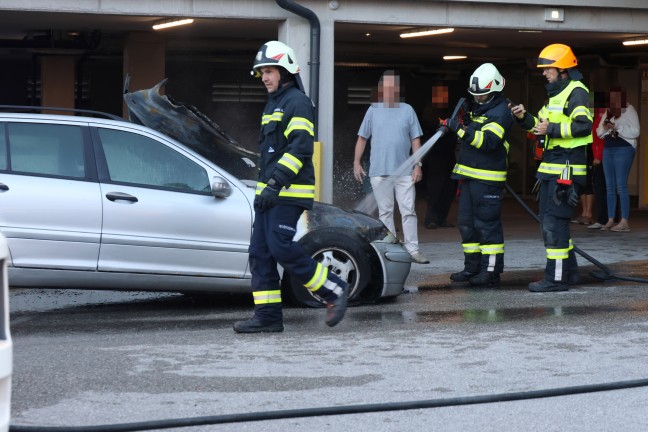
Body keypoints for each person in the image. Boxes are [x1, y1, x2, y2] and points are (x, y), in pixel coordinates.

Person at [233, 41, 348, 333]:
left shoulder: (297, 101)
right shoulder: (274, 103)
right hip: (270, 193)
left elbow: (300, 148)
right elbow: (271, 152)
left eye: (269, 71)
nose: (264, 77)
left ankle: (332, 288)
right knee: (260, 253)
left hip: (288, 192)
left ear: (285, 71)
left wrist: (274, 184)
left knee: (279, 246)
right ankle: (268, 318)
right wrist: (263, 189)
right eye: (261, 72)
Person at [511, 43, 593, 292]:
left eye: (548, 69)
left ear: (563, 69)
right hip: (552, 168)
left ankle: (555, 279)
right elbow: (540, 124)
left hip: (566, 168)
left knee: (554, 223)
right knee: (552, 221)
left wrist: (552, 129)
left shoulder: (577, 92)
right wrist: (523, 118)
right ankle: (570, 273)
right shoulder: (556, 95)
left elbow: (584, 125)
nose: (544, 73)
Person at [444, 63, 512, 287]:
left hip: (488, 180)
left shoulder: (501, 111)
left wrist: (461, 129)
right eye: (476, 96)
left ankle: (490, 271)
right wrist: (463, 122)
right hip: (470, 178)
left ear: (495, 90)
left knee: (487, 227)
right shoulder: (478, 108)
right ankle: (471, 268)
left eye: (482, 96)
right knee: (466, 224)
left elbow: (489, 142)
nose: (479, 99)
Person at [353, 70, 429, 264]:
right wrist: (356, 162)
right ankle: (392, 251)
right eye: (385, 87)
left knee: (408, 211)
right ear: (380, 89)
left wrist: (417, 165)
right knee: (385, 212)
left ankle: (413, 250)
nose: (389, 90)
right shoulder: (373, 110)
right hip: (379, 171)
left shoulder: (407, 110)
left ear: (397, 89)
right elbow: (362, 138)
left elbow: (415, 140)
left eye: (392, 86)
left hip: (404, 172)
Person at [596, 86, 640, 232]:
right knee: (610, 186)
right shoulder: (608, 112)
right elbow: (598, 132)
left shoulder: (629, 109)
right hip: (608, 149)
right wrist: (606, 128)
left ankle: (624, 221)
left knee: (621, 185)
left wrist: (617, 128)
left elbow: (636, 131)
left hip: (624, 149)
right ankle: (610, 220)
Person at [587, 92, 609, 230]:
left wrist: (598, 157)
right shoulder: (597, 116)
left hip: (601, 157)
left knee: (602, 188)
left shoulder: (602, 115)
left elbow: (601, 139)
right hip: (598, 156)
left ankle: (604, 219)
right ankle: (605, 218)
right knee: (602, 187)